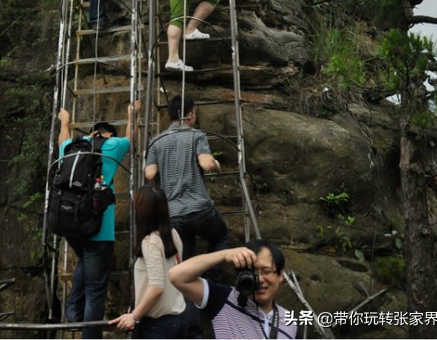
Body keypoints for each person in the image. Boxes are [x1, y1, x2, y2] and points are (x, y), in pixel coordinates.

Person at [58, 103, 141, 340]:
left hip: (70, 225)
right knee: (96, 292)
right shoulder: (111, 145)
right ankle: (89, 337)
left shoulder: (72, 147)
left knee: (84, 259)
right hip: (98, 229)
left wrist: (65, 121)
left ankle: (73, 311)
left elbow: (60, 143)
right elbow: (131, 138)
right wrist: (131, 114)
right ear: (108, 134)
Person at [144, 96, 228, 268]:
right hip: (198, 208)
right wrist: (217, 164)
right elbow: (206, 164)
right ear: (190, 115)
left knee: (184, 261)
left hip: (172, 213)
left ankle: (188, 292)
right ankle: (210, 282)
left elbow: (150, 174)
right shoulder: (196, 136)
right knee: (221, 236)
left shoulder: (156, 142)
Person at [169, 240, 299, 339]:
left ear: (280, 275)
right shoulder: (223, 300)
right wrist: (226, 254)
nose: (259, 279)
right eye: (252, 272)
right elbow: (176, 276)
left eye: (266, 271)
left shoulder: (290, 321)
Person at [109, 186, 187, 338]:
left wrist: (134, 315)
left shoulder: (150, 242)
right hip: (178, 317)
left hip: (157, 326)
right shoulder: (174, 234)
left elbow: (157, 287)